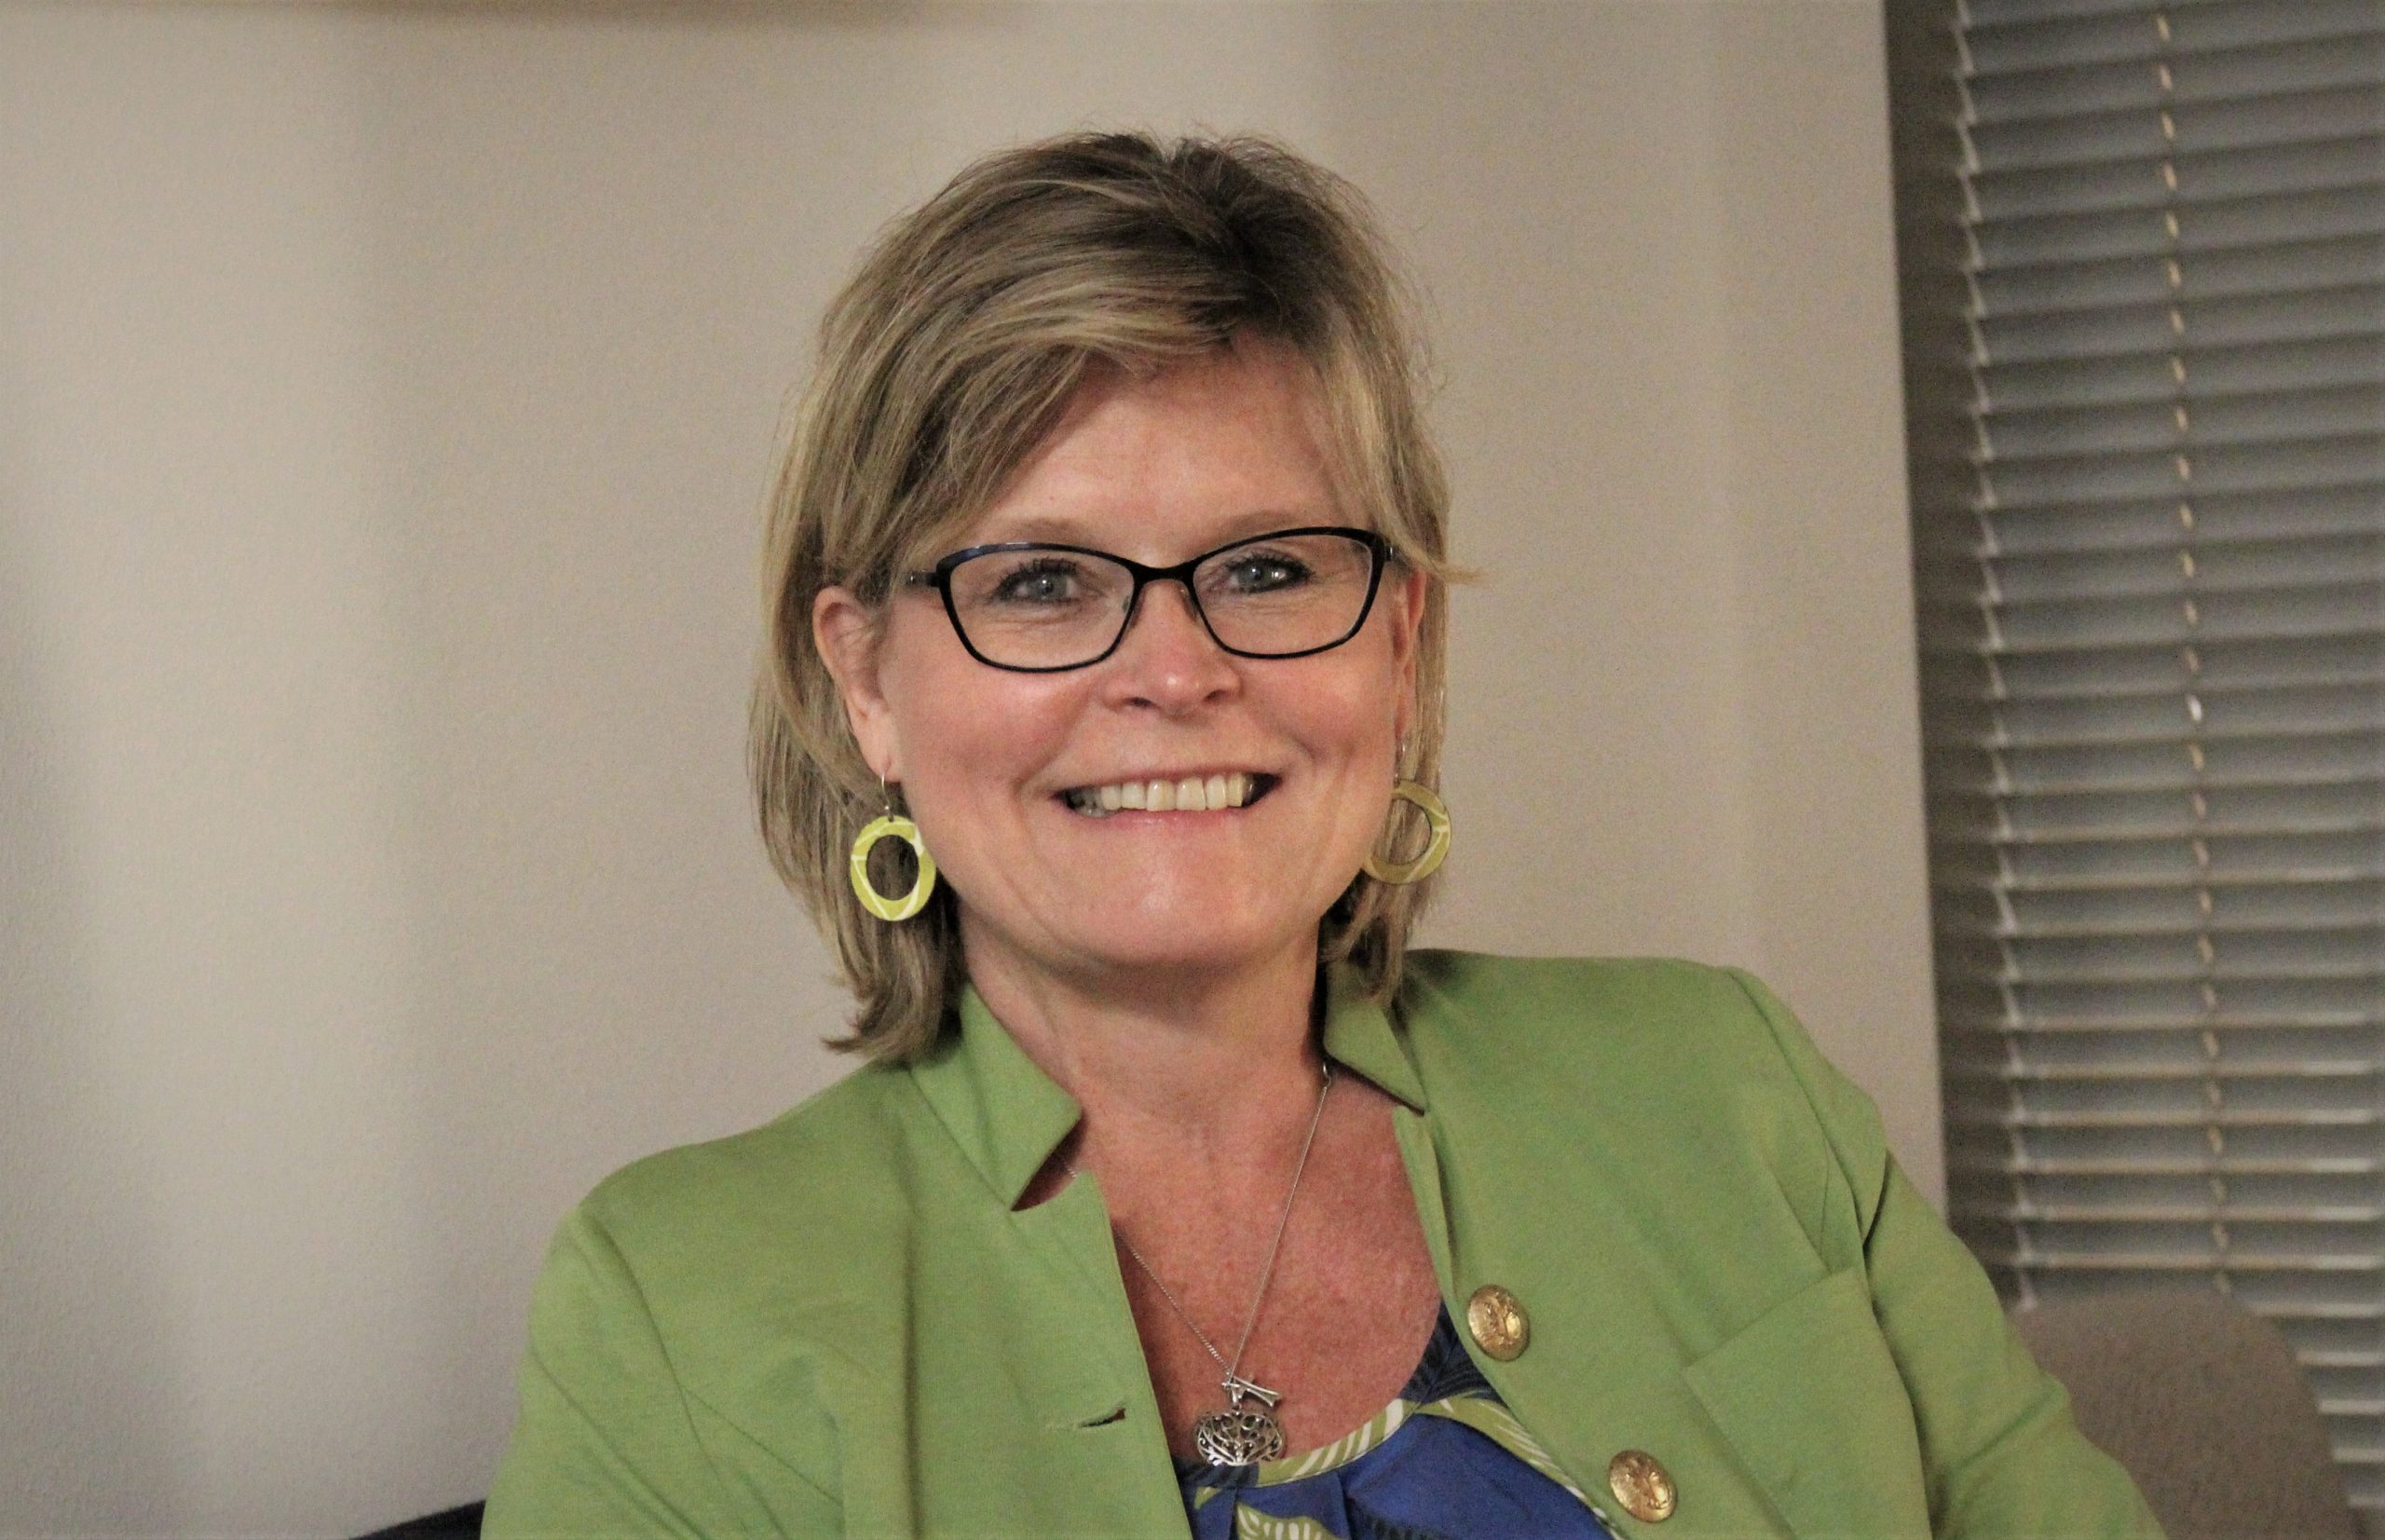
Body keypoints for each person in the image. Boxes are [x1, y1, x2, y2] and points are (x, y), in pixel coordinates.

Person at [484, 131, 2161, 1539]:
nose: (1174, 671)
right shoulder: (680, 1302)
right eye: (1044, 580)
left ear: (1401, 643)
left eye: (1270, 567)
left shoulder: (1731, 1086)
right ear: (865, 681)